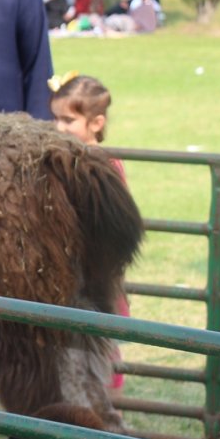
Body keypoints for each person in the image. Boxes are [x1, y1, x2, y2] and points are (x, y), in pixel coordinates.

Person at [48, 72, 131, 396]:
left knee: (98, 342)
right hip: (66, 270)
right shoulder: (63, 158)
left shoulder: (105, 166)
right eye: (55, 118)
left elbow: (111, 224)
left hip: (94, 271)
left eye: (68, 120)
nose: (59, 127)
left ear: (96, 123)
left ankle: (107, 405)